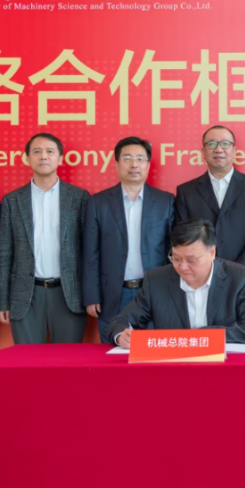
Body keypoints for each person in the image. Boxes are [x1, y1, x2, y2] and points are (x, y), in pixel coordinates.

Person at [0, 133, 90, 343]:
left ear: (60, 158)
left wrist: (91, 296)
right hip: (25, 295)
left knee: (67, 359)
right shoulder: (12, 200)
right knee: (27, 360)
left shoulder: (79, 197)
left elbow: (88, 250)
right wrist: (3, 300)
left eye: (50, 151)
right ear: (27, 158)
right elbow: (4, 253)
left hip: (68, 294)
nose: (43, 156)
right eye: (37, 152)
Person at [108, 220, 245, 345]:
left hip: (222, 364)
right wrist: (121, 335)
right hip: (173, 365)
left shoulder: (240, 278)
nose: (182, 267)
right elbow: (121, 321)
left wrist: (202, 336)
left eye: (191, 260)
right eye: (176, 259)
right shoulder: (156, 280)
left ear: (212, 253)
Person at [83, 136, 175, 343]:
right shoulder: (98, 202)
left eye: (140, 159)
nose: (134, 164)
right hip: (112, 294)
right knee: (112, 353)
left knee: (152, 353)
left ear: (148, 165)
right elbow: (90, 253)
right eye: (127, 158)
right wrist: (91, 295)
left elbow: (172, 251)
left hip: (153, 292)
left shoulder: (166, 201)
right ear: (116, 164)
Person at [173, 125, 245, 306]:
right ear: (203, 151)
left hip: (243, 281)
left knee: (243, 325)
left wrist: (236, 273)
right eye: (212, 144)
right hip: (199, 282)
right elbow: (184, 238)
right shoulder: (186, 191)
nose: (218, 149)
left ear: (234, 150)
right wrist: (205, 272)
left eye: (225, 143)